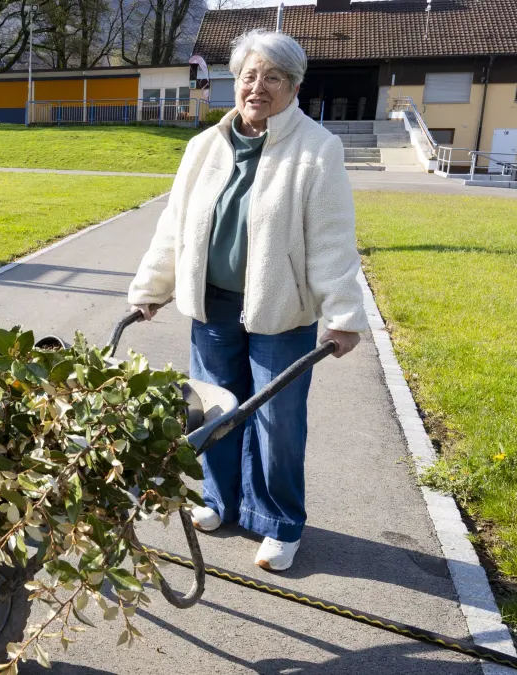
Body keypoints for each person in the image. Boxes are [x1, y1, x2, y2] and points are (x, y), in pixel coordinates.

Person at [128, 29, 367, 572]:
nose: (258, 87)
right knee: (214, 413)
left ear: (294, 86)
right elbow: (175, 226)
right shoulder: (204, 146)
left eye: (273, 77)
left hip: (281, 311)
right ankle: (219, 500)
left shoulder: (315, 148)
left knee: (277, 420)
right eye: (249, 76)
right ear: (234, 83)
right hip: (212, 308)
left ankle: (279, 522)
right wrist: (150, 289)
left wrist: (344, 316)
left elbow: (331, 237)